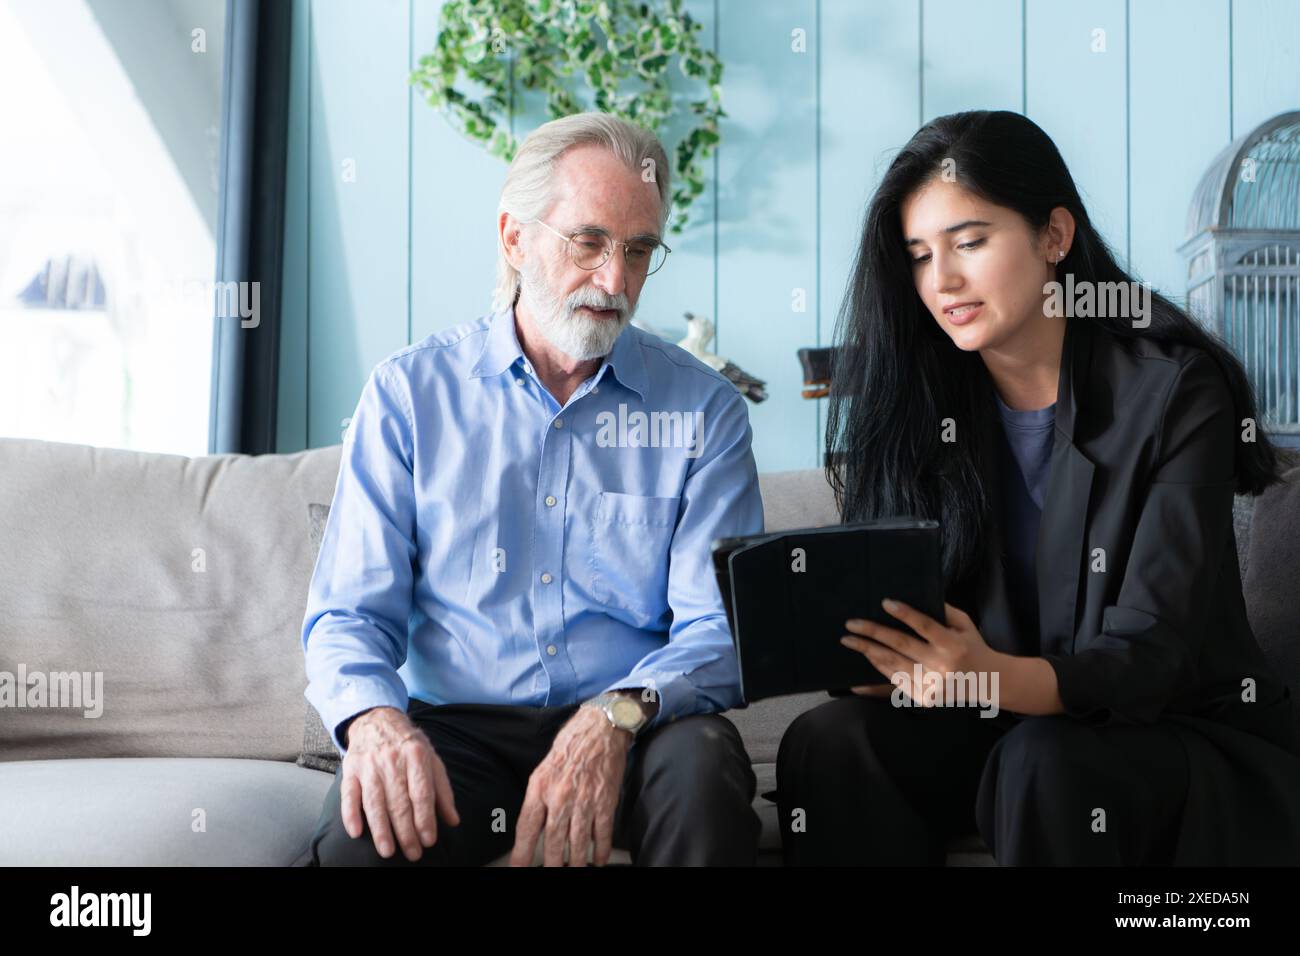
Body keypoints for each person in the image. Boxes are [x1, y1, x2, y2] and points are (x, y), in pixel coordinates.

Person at [776, 109, 1300, 866]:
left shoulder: (1175, 389)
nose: (942, 280)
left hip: (1163, 734)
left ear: (1054, 236)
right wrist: (888, 662)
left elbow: (1153, 652)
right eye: (921, 256)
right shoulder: (923, 403)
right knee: (832, 741)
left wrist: (987, 675)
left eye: (970, 242)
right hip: (998, 725)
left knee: (1046, 761)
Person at [298, 112, 763, 867]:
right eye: (589, 243)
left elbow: (719, 630)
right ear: (516, 239)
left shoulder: (704, 411)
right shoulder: (409, 395)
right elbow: (348, 615)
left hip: (639, 726)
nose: (615, 281)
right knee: (361, 844)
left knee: (706, 779)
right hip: (457, 729)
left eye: (639, 251)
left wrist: (614, 717)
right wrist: (377, 722)